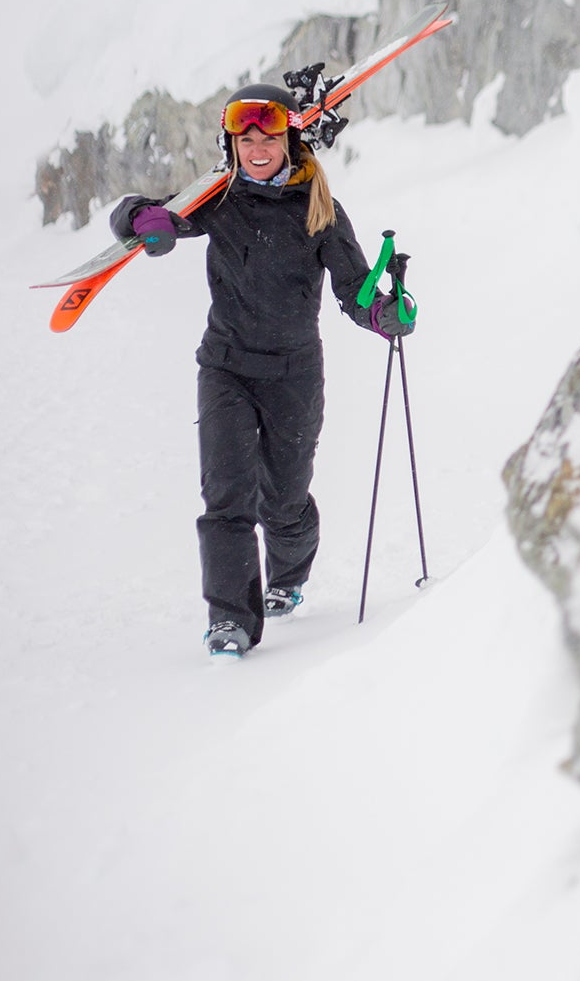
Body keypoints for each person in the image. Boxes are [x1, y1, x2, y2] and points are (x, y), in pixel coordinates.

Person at [110, 85, 415, 658]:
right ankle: (231, 620)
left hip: (294, 375)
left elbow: (354, 289)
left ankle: (289, 576)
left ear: (289, 140)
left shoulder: (318, 209)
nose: (256, 148)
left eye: (267, 138)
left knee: (284, 500)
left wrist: (383, 314)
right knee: (227, 497)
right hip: (225, 367)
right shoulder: (217, 198)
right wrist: (142, 217)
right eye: (245, 138)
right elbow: (131, 210)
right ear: (231, 144)